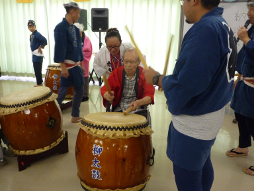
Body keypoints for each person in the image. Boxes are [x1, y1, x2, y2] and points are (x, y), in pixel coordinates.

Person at [143, 0, 237, 190]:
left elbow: (188, 84)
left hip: (196, 119)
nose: (182, 5)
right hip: (212, 110)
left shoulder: (206, 29)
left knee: (187, 173)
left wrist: (157, 79)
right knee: (201, 163)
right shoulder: (221, 24)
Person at [226, 0, 254, 176]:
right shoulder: (251, 28)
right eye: (249, 8)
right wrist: (239, 77)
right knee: (240, 115)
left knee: (253, 122)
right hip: (245, 82)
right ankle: (243, 146)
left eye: (253, 8)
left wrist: (246, 40)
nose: (249, 13)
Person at [54, 2, 85, 123]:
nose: (78, 15)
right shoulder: (60, 28)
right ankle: (51, 113)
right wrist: (63, 67)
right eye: (78, 13)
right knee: (62, 92)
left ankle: (75, 115)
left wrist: (81, 64)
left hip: (76, 66)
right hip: (67, 66)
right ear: (72, 11)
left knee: (80, 89)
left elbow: (79, 48)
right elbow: (60, 48)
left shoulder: (76, 29)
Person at [101, 48, 155, 117]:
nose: (128, 65)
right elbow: (104, 89)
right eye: (126, 61)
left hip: (138, 109)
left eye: (131, 62)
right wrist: (106, 95)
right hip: (119, 109)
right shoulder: (116, 73)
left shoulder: (145, 74)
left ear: (138, 62)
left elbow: (149, 96)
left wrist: (138, 102)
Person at [74, 23, 93, 102]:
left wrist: (80, 54)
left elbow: (89, 50)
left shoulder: (86, 39)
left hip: (83, 60)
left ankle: (85, 94)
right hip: (74, 61)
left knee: (84, 77)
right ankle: (76, 94)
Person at [28, 20, 47, 87]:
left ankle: (40, 84)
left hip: (38, 54)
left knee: (38, 69)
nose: (31, 28)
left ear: (35, 26)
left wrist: (41, 47)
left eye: (32, 26)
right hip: (34, 54)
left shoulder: (37, 34)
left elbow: (44, 40)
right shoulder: (32, 35)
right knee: (36, 69)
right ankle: (39, 83)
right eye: (29, 26)